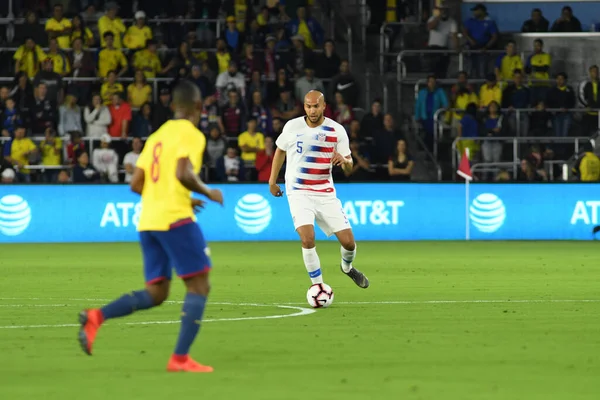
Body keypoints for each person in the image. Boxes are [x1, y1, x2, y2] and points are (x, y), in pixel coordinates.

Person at [77, 80, 224, 373]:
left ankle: (97, 317)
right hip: (174, 218)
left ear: (173, 106)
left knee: (157, 292)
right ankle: (180, 359)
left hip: (148, 220)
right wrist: (207, 192)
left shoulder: (157, 135)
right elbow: (184, 172)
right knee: (199, 285)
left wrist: (176, 195)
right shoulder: (192, 134)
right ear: (199, 107)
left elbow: (136, 183)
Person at [268, 90, 369, 290]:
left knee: (349, 243)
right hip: (298, 192)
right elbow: (280, 150)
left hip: (325, 193)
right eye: (308, 106)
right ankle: (318, 286)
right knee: (307, 238)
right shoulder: (292, 126)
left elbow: (348, 167)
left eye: (316, 106)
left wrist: (345, 162)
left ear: (324, 106)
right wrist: (272, 180)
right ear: (304, 107)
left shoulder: (337, 130)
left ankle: (347, 268)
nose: (312, 110)